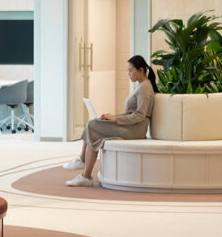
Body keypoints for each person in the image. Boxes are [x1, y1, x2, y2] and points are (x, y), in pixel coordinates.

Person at [63, 55, 157, 187]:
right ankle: (85, 174)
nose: (129, 74)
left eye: (131, 70)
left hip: (136, 129)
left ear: (141, 70)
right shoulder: (141, 86)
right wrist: (112, 116)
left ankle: (83, 162)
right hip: (132, 126)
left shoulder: (145, 88)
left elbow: (140, 116)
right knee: (95, 128)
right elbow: (132, 114)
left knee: (92, 125)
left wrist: (116, 118)